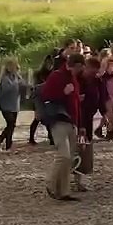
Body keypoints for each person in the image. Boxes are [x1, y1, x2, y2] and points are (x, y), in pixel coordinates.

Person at [39, 53, 84, 201]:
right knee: (63, 155)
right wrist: (63, 93)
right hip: (58, 120)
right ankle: (51, 184)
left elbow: (76, 104)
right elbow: (46, 96)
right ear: (76, 65)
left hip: (71, 122)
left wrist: (80, 125)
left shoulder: (73, 79)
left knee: (69, 159)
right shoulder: (56, 76)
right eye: (80, 68)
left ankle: (64, 191)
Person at [0, 57, 23, 151]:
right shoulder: (5, 78)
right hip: (6, 105)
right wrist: (16, 83)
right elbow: (5, 90)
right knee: (10, 123)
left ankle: (7, 144)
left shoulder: (17, 77)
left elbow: (22, 86)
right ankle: (2, 141)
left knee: (12, 125)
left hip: (15, 105)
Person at [28, 53, 55, 146]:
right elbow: (35, 87)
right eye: (48, 64)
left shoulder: (52, 73)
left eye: (51, 64)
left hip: (48, 96)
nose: (49, 66)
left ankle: (51, 137)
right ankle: (31, 138)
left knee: (49, 117)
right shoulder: (39, 74)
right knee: (38, 117)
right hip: (38, 97)